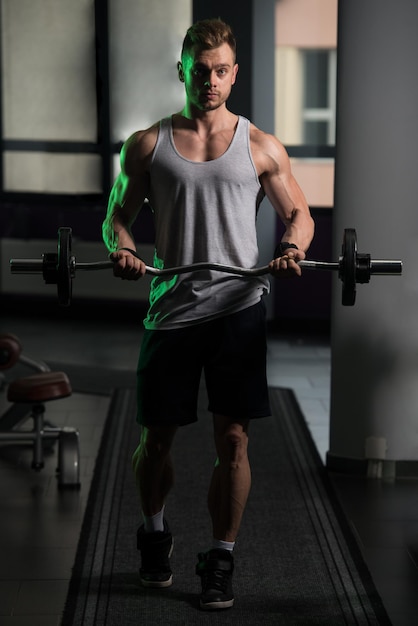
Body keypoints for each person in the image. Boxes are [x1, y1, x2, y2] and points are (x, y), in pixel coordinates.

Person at [102, 17, 314, 611]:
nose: (211, 81)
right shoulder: (148, 144)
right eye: (201, 71)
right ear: (182, 71)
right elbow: (117, 215)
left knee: (236, 441)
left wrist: (293, 248)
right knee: (157, 440)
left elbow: (300, 213)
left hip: (238, 309)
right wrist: (121, 247)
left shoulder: (261, 146)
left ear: (235, 73)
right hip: (172, 310)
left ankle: (221, 557)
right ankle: (155, 534)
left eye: (221, 71)